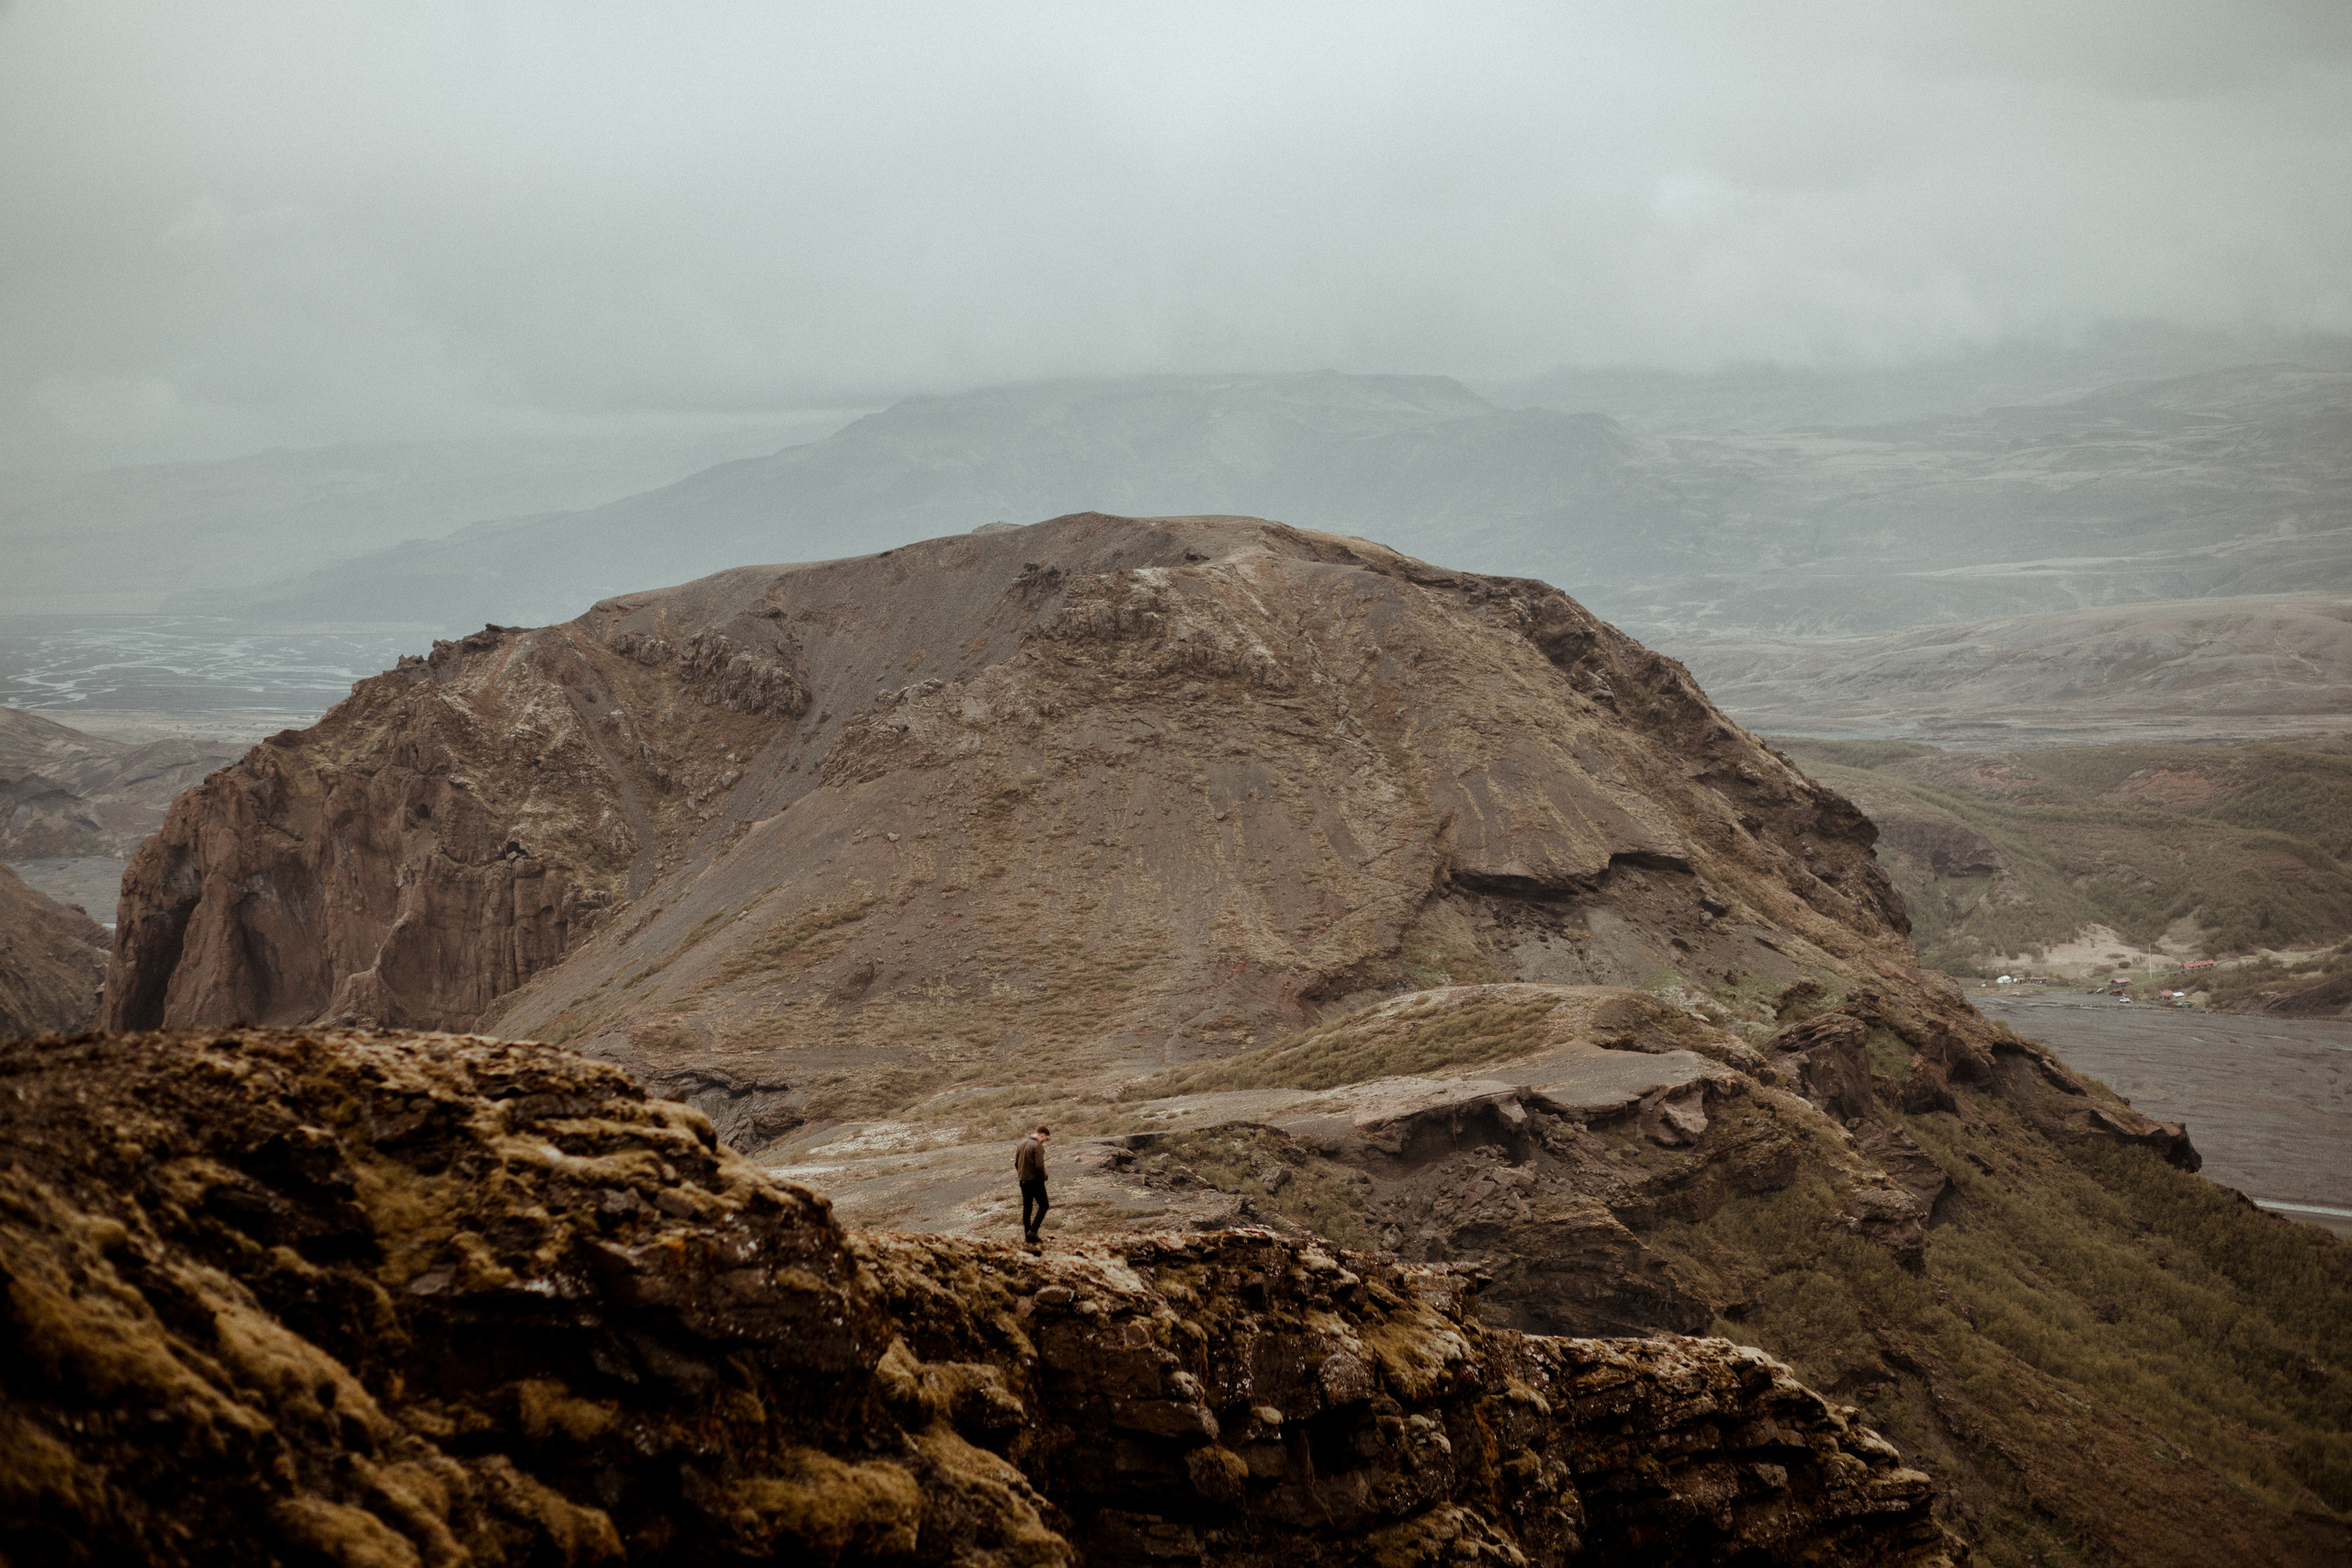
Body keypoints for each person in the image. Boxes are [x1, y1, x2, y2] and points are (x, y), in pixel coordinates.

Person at [1014, 1124, 1050, 1246]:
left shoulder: (1022, 1144)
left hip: (1023, 1180)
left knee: (1027, 1208)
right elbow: (1039, 1166)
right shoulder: (1037, 1146)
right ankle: (1033, 1232)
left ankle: (1027, 1236)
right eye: (1045, 1138)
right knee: (1044, 1205)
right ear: (1043, 1135)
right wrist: (1043, 1177)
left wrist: (1021, 1174)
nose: (1044, 1141)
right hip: (1035, 1181)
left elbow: (1016, 1163)